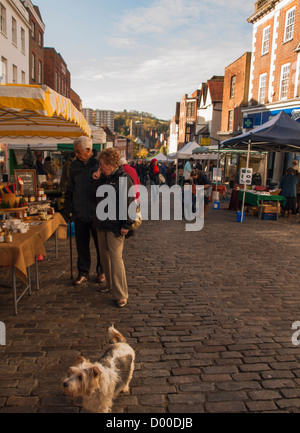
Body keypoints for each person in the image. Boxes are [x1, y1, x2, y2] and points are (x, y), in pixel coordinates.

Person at [91, 148, 135, 308]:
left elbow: (129, 201)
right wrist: (95, 180)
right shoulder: (103, 178)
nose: (100, 166)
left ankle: (121, 294)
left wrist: (126, 224)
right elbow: (95, 197)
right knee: (105, 257)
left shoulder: (124, 178)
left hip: (116, 225)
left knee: (116, 259)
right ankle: (110, 286)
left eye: (102, 164)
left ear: (110, 164)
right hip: (102, 223)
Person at [63, 136, 105, 286]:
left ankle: (101, 271)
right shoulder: (74, 166)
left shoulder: (99, 164)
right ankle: (83, 272)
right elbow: (70, 187)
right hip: (80, 211)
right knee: (81, 244)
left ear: (88, 150)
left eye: (79, 152)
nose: (76, 155)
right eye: (75, 152)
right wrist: (68, 207)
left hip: (96, 212)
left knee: (100, 244)